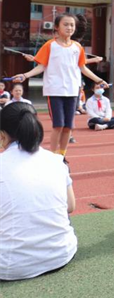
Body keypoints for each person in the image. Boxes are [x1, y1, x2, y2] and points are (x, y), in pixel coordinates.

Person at [11, 13, 109, 159]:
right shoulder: (50, 45)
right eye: (66, 24)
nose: (69, 27)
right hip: (55, 91)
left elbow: (82, 68)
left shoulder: (77, 47)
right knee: (58, 125)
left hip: (72, 91)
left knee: (68, 127)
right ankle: (52, 156)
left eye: (72, 25)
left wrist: (98, 80)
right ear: (57, 27)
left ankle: (61, 155)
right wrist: (25, 75)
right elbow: (41, 66)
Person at [0, 102, 77, 281]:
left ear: (2, 136)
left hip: (10, 266)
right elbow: (70, 206)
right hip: (61, 253)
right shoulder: (56, 160)